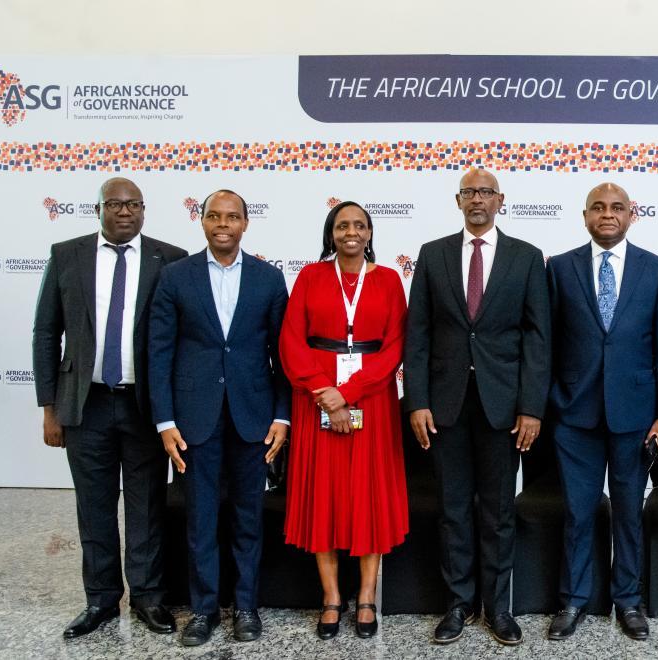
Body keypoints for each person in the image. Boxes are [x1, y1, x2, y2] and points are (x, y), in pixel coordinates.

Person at [31, 177, 187, 639]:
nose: (125, 212)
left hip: (145, 407)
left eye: (133, 204)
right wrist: (48, 406)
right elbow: (45, 333)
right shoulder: (67, 254)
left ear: (144, 210)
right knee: (94, 507)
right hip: (85, 404)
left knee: (146, 507)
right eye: (115, 204)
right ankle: (100, 601)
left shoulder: (169, 259)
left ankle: (147, 598)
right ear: (98, 208)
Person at [404, 168, 550, 646]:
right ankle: (458, 605)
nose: (477, 200)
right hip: (444, 406)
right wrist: (418, 401)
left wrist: (531, 408)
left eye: (486, 192)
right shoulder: (432, 254)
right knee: (452, 509)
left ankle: (498, 607)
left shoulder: (527, 258)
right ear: (458, 200)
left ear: (500, 200)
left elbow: (537, 339)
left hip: (504, 408)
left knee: (498, 511)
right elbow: (418, 335)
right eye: (469, 192)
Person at [148, 190, 291, 647]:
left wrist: (282, 417)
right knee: (200, 518)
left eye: (232, 217)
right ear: (202, 221)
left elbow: (282, 356)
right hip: (193, 422)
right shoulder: (175, 277)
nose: (223, 224)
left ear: (246, 224)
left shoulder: (269, 279)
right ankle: (204, 610)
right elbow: (159, 353)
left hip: (253, 417)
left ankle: (246, 607)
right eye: (214, 216)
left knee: (248, 518)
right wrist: (165, 421)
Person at [545, 183, 658, 642]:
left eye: (616, 207)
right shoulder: (558, 268)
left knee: (628, 513)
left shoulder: (657, 270)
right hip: (573, 415)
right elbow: (549, 343)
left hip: (636, 417)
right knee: (578, 513)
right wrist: (549, 405)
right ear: (584, 216)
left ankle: (628, 600)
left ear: (631, 215)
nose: (607, 214)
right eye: (598, 208)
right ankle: (573, 599)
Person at [280, 201, 409, 640]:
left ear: (370, 233)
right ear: (330, 233)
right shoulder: (311, 277)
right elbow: (291, 342)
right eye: (341, 225)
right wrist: (325, 394)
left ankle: (368, 596)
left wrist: (347, 394)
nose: (350, 232)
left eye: (359, 225)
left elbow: (394, 349)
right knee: (325, 497)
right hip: (316, 401)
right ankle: (332, 597)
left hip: (371, 401)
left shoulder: (390, 280)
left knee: (367, 497)